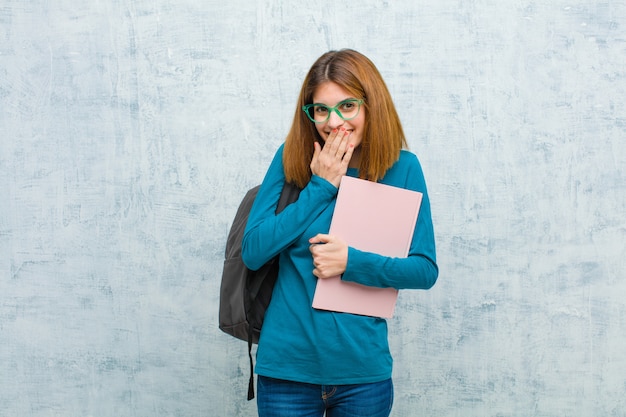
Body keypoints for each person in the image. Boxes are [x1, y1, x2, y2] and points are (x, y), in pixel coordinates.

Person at [241, 49, 438, 417]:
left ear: (370, 104)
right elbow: (253, 250)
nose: (334, 122)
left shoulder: (403, 168)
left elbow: (424, 269)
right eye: (320, 110)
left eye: (347, 106)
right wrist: (321, 186)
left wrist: (352, 262)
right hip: (286, 371)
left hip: (362, 374)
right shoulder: (291, 158)